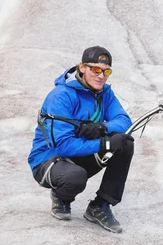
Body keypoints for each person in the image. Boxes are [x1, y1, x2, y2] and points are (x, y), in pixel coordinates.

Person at [28, 45, 134, 233]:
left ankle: (100, 205)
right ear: (82, 67)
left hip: (78, 154)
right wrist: (104, 143)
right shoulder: (61, 96)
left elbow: (124, 120)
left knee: (124, 144)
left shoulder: (104, 93)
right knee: (75, 177)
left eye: (106, 71)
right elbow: (62, 146)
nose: (101, 76)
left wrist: (103, 127)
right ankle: (62, 197)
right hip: (48, 161)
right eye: (95, 69)